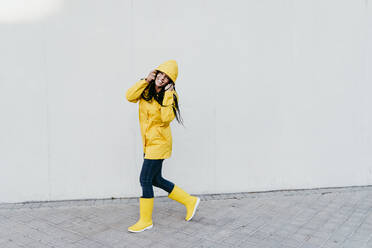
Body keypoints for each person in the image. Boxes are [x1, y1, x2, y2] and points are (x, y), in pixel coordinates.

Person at [125, 60, 200, 233]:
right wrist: (146, 80)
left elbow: (166, 118)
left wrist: (168, 94)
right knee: (156, 179)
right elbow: (129, 96)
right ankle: (189, 201)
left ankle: (146, 221)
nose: (162, 79)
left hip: (159, 143)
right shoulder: (146, 89)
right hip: (148, 143)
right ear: (156, 73)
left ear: (170, 82)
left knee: (144, 179)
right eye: (161, 74)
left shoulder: (171, 96)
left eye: (167, 78)